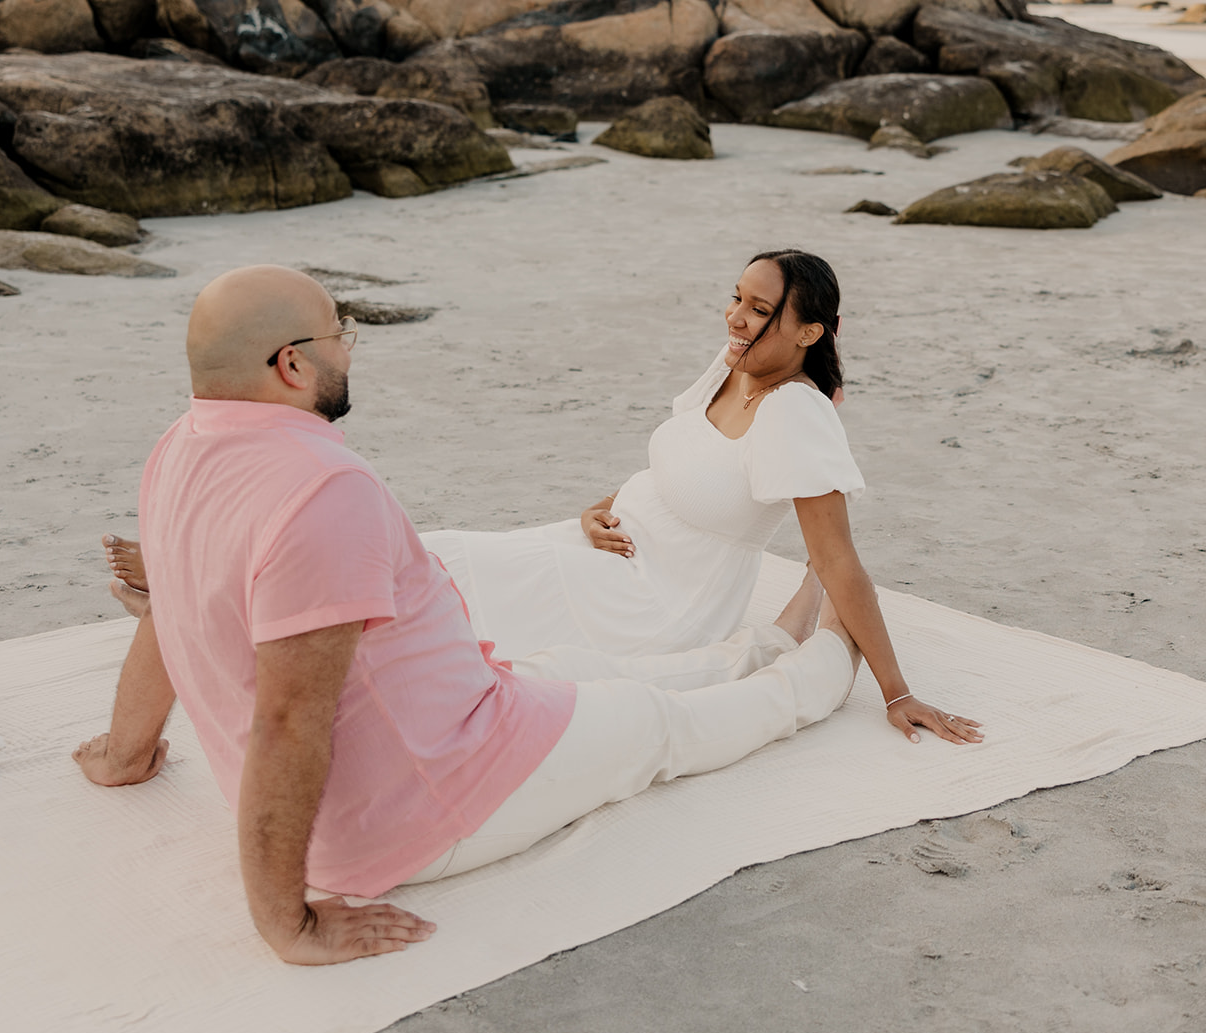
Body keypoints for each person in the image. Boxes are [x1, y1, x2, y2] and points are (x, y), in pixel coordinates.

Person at [78, 264, 863, 966]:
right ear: (292, 364)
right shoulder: (325, 489)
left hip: (465, 713)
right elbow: (290, 717)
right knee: (656, 725)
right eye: (339, 335)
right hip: (433, 794)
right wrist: (287, 923)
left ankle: (763, 644)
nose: (350, 349)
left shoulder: (178, 448)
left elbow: (169, 610)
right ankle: (823, 668)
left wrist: (125, 751)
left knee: (585, 671)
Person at [419, 250, 982, 746]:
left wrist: (897, 694)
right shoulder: (737, 359)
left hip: (659, 597)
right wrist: (596, 509)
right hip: (603, 548)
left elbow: (840, 560)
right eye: (737, 298)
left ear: (809, 333)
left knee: (453, 600)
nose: (736, 318)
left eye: (760, 311)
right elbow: (683, 460)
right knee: (435, 556)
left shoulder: (792, 411)